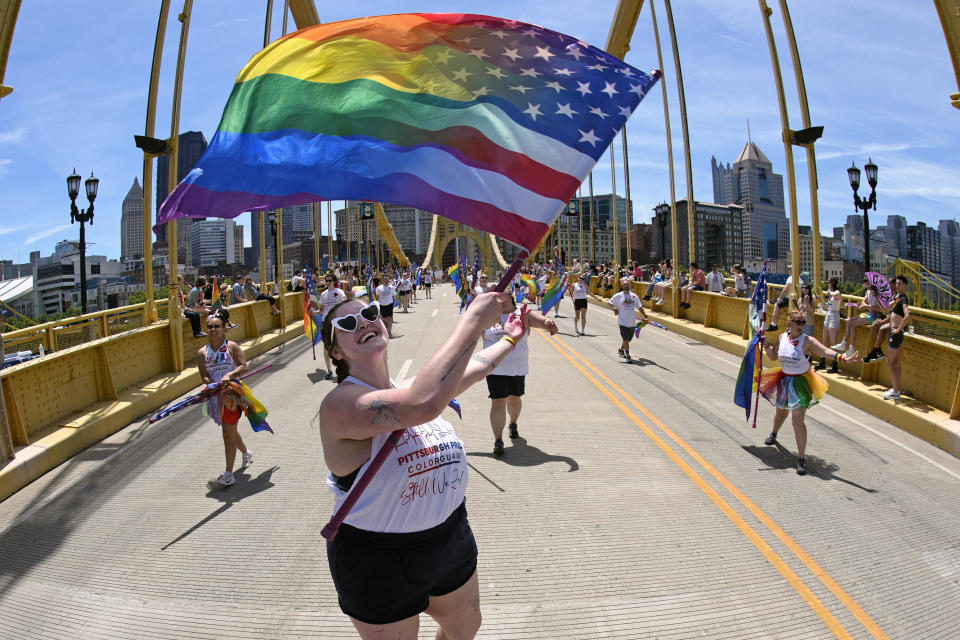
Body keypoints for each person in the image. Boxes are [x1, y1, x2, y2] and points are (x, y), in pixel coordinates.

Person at [318, 292, 526, 638]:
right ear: (335, 351)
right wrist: (474, 320)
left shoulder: (408, 389)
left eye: (369, 312)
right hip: (378, 560)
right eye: (348, 323)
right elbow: (423, 404)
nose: (364, 321)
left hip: (448, 538)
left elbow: (479, 366)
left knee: (466, 629)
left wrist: (511, 336)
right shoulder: (340, 405)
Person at [759, 310, 860, 475]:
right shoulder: (782, 338)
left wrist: (842, 358)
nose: (801, 325)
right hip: (784, 380)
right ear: (789, 323)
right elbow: (772, 357)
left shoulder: (807, 341)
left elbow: (825, 351)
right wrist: (766, 345)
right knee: (780, 414)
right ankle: (774, 432)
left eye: (803, 322)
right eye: (797, 322)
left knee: (797, 419)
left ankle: (801, 458)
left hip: (801, 382)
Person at [483, 301, 557, 455]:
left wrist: (548, 323)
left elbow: (542, 322)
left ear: (510, 297)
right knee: (498, 402)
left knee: (514, 398)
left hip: (517, 368)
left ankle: (513, 423)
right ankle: (498, 440)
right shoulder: (485, 316)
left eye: (505, 294)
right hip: (494, 368)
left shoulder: (523, 313)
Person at [197, 314, 252, 486]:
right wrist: (211, 384)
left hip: (232, 397)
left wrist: (229, 375)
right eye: (210, 327)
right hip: (216, 397)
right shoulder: (202, 353)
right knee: (231, 431)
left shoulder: (232, 347)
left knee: (227, 434)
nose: (213, 330)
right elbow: (204, 377)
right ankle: (246, 453)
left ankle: (229, 474)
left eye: (216, 326)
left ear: (223, 329)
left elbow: (243, 366)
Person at [831, 280, 884, 358]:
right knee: (849, 321)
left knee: (853, 324)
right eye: (866, 286)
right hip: (869, 314)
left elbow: (880, 308)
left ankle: (851, 349)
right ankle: (843, 343)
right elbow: (863, 301)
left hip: (875, 316)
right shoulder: (868, 292)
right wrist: (864, 305)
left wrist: (867, 306)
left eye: (868, 285)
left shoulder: (877, 294)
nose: (867, 287)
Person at [882, 275, 911, 400]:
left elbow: (907, 315)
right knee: (896, 363)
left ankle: (895, 391)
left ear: (905, 286)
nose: (897, 286)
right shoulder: (897, 297)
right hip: (894, 333)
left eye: (900, 284)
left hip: (895, 334)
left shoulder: (903, 298)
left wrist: (899, 329)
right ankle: (896, 389)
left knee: (890, 362)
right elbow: (887, 308)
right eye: (897, 284)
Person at [608, 277, 647, 363]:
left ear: (630, 286)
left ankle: (621, 349)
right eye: (624, 285)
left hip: (632, 323)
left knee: (628, 339)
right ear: (622, 286)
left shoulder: (634, 296)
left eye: (627, 285)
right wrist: (614, 309)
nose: (626, 286)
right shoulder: (618, 296)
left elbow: (639, 307)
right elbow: (610, 302)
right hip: (622, 322)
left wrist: (645, 315)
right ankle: (628, 356)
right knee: (625, 339)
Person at [319, 272, 347, 380]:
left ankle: (342, 369)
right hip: (326, 324)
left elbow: (344, 301)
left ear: (334, 282)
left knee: (339, 346)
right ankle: (329, 371)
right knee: (326, 348)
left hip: (336, 323)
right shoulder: (323, 294)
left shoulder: (339, 291)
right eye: (326, 281)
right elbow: (321, 310)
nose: (328, 282)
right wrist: (312, 313)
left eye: (330, 280)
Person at [816, 278, 843, 372]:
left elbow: (837, 295)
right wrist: (821, 301)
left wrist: (828, 292)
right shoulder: (830, 294)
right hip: (829, 314)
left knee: (833, 342)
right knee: (825, 340)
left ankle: (834, 364)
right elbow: (828, 306)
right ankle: (822, 361)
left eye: (828, 283)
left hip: (835, 315)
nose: (827, 285)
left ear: (832, 283)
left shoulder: (837, 292)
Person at [176, 273, 207, 338]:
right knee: (194, 314)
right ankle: (196, 332)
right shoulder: (176, 291)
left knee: (195, 314)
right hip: (180, 311)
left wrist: (188, 290)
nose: (183, 282)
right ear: (178, 281)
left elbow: (185, 298)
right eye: (182, 281)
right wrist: (188, 309)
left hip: (183, 308)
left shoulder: (179, 289)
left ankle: (198, 332)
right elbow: (180, 304)